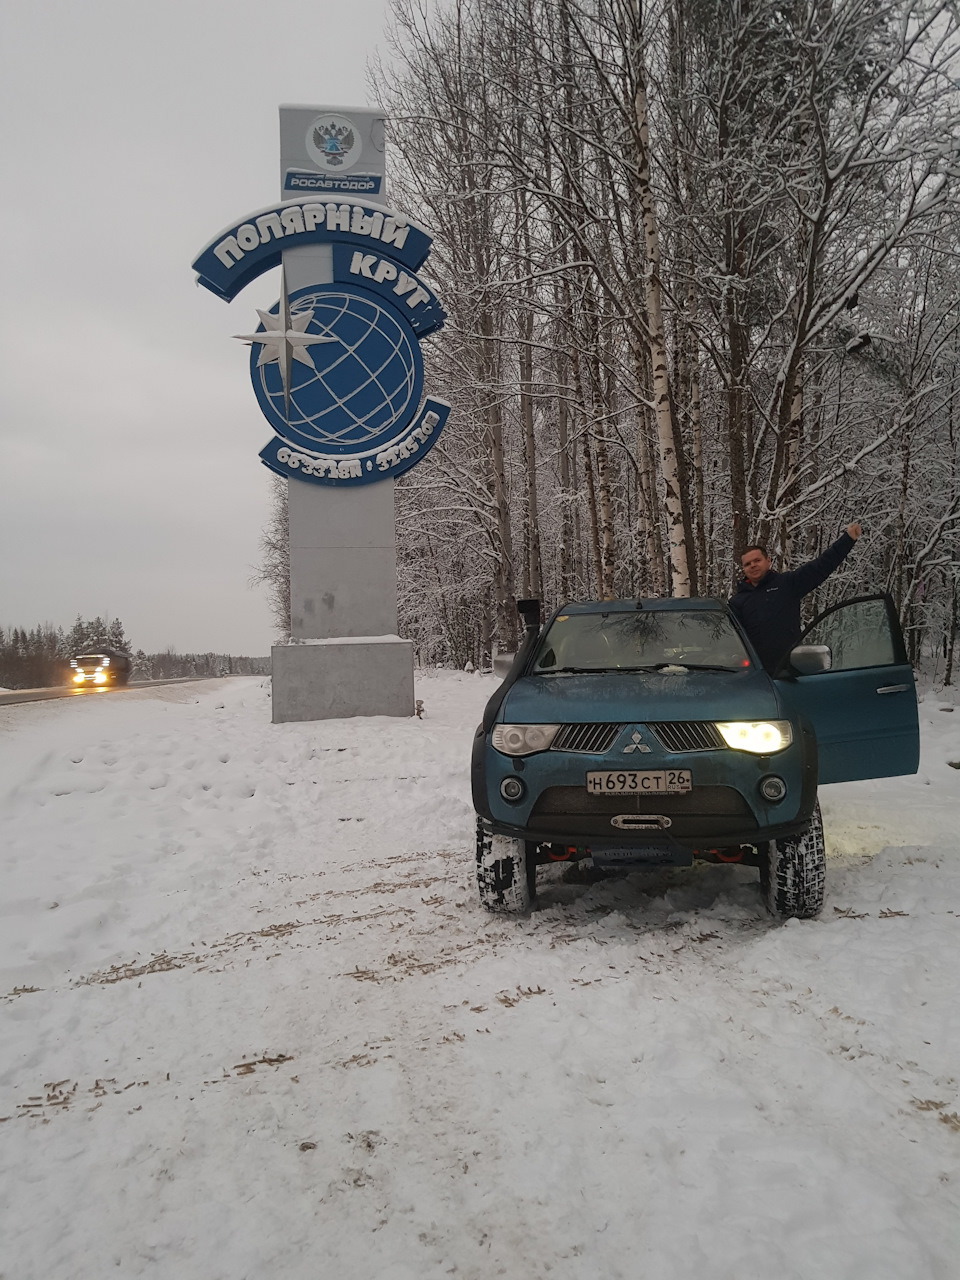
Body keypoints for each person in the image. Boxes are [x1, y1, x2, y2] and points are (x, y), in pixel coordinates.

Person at [729, 523, 862, 672]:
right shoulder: (736, 602)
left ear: (768, 561)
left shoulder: (787, 584)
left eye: (757, 560)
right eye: (747, 564)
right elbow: (729, 640)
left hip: (789, 673)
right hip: (754, 676)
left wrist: (848, 539)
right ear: (743, 569)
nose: (753, 565)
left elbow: (820, 567)